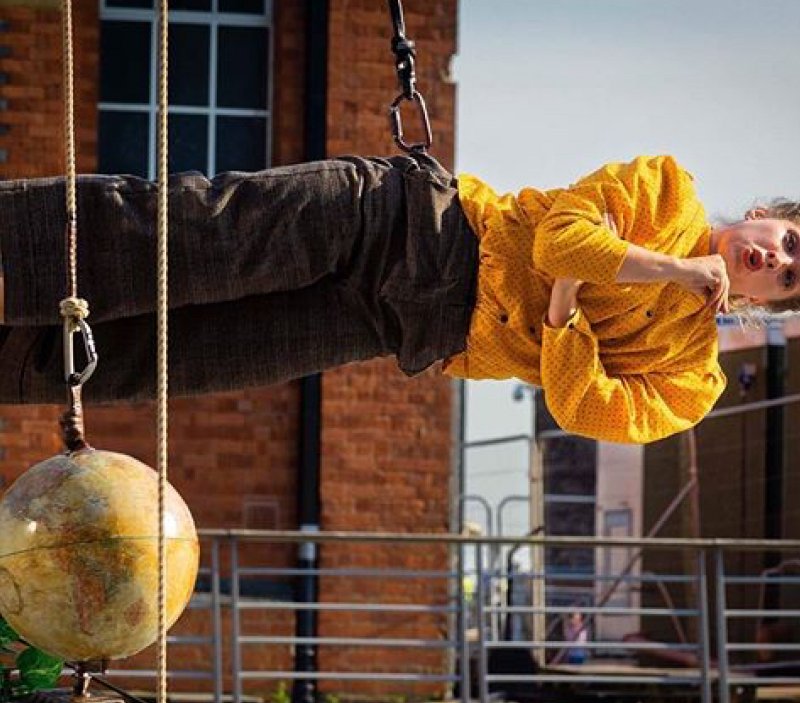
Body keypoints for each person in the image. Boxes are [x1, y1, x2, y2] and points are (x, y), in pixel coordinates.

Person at [0, 152, 797, 444]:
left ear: (774, 303)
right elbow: (559, 243)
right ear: (769, 213)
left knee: (166, 363)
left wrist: (563, 306)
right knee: (178, 233)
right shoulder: (664, 188)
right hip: (401, 220)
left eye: (789, 277)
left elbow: (583, 407)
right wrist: (671, 272)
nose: (774, 257)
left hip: (400, 324)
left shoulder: (690, 380)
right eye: (790, 239)